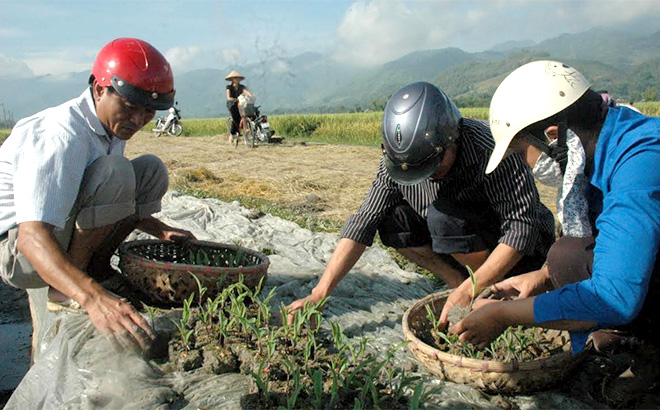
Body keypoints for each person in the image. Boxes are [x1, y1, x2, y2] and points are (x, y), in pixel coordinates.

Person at [450, 60, 660, 402]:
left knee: (581, 271)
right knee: (565, 258)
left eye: (522, 153)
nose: (527, 166)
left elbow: (613, 295)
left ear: (552, 135)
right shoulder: (604, 149)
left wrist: (504, 314)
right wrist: (542, 277)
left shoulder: (640, 162)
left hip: (626, 292)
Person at [287, 82, 555, 324]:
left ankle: (488, 291)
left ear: (452, 138)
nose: (428, 175)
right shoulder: (396, 162)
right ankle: (460, 284)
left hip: (516, 252)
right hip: (460, 244)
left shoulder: (491, 148)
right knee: (393, 220)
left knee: (444, 217)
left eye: (433, 165)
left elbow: (522, 228)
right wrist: (319, 294)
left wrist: (472, 291)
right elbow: (364, 222)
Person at [0, 37, 195, 351]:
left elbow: (96, 194)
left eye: (148, 112)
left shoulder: (109, 125)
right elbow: (30, 236)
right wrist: (92, 298)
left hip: (54, 231)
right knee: (116, 172)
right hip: (19, 252)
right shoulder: (60, 135)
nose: (138, 120)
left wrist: (159, 229)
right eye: (130, 107)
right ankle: (67, 289)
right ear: (99, 89)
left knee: (148, 170)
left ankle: (97, 268)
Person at [225, 70, 253, 143]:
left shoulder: (242, 87)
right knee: (236, 118)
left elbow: (247, 92)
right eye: (235, 78)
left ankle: (248, 127)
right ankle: (232, 133)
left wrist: (251, 96)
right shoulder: (229, 87)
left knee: (249, 113)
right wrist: (233, 99)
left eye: (238, 78)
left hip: (241, 103)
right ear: (232, 79)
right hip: (232, 104)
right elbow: (228, 97)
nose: (237, 79)